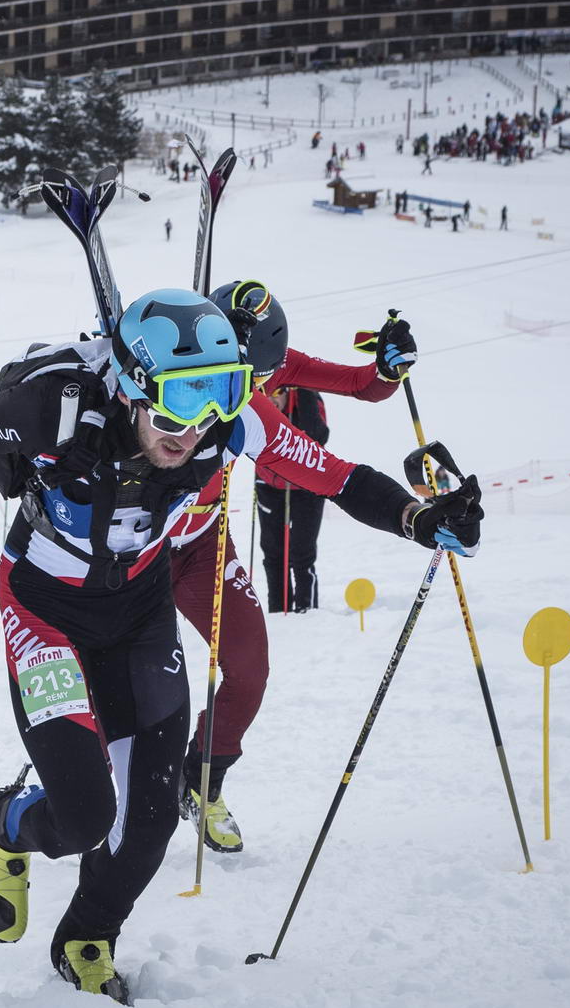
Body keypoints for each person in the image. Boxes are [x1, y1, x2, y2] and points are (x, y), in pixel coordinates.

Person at [0, 289, 481, 1003]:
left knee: (150, 819)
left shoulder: (225, 418)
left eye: (213, 406)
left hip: (137, 611)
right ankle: (0, 824)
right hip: (44, 607)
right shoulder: (58, 407)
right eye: (173, 410)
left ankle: (88, 935)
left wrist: (417, 518)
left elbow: (332, 475)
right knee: (82, 818)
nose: (191, 432)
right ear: (134, 387)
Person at [166, 291, 414, 854]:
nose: (259, 392)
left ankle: (204, 780)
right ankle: (98, 790)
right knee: (136, 684)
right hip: (137, 551)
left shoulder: (263, 387)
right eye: (255, 380)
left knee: (249, 667)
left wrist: (388, 368)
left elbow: (359, 385)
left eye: (266, 379)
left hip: (203, 541)